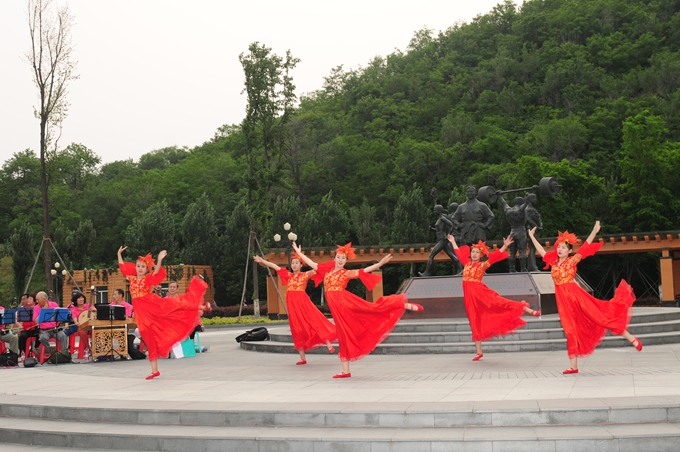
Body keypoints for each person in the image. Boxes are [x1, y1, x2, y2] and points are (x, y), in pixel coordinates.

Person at [293, 241, 423, 379]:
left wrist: (380, 264)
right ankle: (346, 371)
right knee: (344, 335)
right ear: (334, 258)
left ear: (346, 261)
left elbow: (363, 271)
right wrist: (300, 253)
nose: (341, 260)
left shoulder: (346, 273)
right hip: (338, 311)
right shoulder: (326, 271)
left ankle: (401, 304)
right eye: (338, 257)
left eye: (343, 258)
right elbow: (312, 263)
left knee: (372, 309)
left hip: (346, 304)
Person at [528, 221, 641, 374]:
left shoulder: (572, 261)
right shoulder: (553, 262)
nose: (560, 249)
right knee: (570, 330)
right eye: (558, 247)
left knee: (600, 317)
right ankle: (573, 366)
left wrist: (594, 231)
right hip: (563, 302)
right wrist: (532, 237)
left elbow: (585, 247)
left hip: (577, 298)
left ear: (569, 250)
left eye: (563, 247)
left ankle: (631, 338)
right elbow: (541, 250)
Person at [118, 246, 208, 380]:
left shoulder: (147, 279)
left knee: (173, 306)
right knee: (149, 337)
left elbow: (156, 272)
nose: (140, 268)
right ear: (135, 267)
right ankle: (154, 370)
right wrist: (119, 254)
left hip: (152, 305)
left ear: (146, 269)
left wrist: (159, 260)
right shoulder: (131, 278)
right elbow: (122, 268)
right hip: (142, 313)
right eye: (138, 266)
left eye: (143, 266)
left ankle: (198, 306)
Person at [447, 234, 540, 361]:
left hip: (481, 294)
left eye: (477, 252)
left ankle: (526, 308)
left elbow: (494, 258)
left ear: (481, 255)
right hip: (470, 299)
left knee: (500, 302)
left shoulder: (482, 265)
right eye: (473, 252)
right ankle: (479, 352)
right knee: (474, 321)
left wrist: (505, 246)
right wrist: (453, 241)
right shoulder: (466, 264)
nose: (474, 254)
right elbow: (458, 253)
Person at [254, 253, 336, 365]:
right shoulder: (288, 275)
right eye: (293, 263)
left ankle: (328, 344)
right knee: (297, 328)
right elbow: (274, 266)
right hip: (293, 306)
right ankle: (302, 358)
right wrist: (262, 261)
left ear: (301, 265)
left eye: (297, 263)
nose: (294, 265)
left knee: (314, 320)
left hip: (303, 303)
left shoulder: (305, 275)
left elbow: (318, 268)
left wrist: (336, 262)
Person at [418, 205, 463, 276]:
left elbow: (452, 225)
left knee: (431, 255)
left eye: (435, 210)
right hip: (441, 240)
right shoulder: (439, 218)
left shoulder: (442, 218)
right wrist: (432, 229)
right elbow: (439, 230)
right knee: (451, 255)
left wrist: (448, 234)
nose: (434, 211)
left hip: (443, 240)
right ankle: (461, 269)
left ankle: (426, 273)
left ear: (439, 211)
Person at [498, 196, 528, 272]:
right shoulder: (521, 210)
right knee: (522, 251)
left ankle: (512, 269)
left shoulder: (509, 210)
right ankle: (523, 269)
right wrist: (531, 194)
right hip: (521, 231)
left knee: (512, 252)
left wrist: (500, 196)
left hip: (512, 232)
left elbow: (504, 203)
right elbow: (527, 203)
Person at [35, 291, 69, 357]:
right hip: (44, 330)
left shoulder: (54, 304)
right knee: (42, 338)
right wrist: (43, 311)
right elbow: (36, 321)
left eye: (37, 299)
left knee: (63, 336)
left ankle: (64, 353)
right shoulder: (36, 307)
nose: (36, 301)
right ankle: (48, 350)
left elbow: (60, 317)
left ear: (44, 299)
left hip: (56, 329)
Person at [63, 291, 95, 357]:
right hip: (82, 326)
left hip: (91, 325)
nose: (81, 299)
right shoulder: (73, 309)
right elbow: (75, 320)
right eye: (79, 298)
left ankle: (96, 348)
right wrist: (77, 323)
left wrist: (93, 310)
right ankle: (88, 348)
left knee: (95, 331)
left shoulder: (88, 306)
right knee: (82, 332)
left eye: (82, 298)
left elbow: (95, 311)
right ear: (75, 301)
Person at [524, 193, 543, 272]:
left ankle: (532, 266)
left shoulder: (531, 209)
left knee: (533, 248)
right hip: (532, 229)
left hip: (535, 229)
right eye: (534, 198)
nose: (535, 200)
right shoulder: (528, 209)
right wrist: (536, 227)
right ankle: (532, 266)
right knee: (533, 247)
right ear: (530, 200)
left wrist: (539, 226)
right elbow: (528, 220)